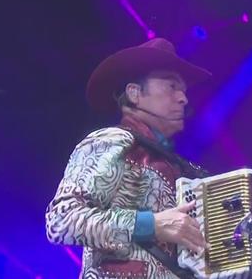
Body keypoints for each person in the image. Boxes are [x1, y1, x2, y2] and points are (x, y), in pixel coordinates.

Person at [46, 38, 211, 278]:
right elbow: (61, 219)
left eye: (184, 91)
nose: (183, 98)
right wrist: (152, 225)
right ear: (134, 93)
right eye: (171, 86)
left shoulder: (179, 166)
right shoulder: (113, 139)